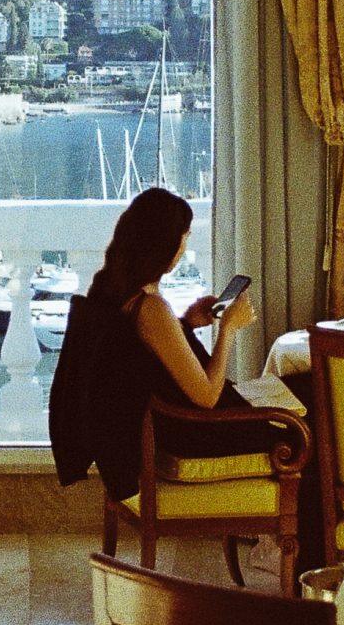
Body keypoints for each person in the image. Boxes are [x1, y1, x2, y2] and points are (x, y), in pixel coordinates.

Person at [50, 185, 267, 501]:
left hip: (171, 428)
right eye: (184, 237)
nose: (184, 246)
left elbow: (144, 359)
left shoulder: (117, 294)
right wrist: (228, 329)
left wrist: (187, 323)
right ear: (164, 245)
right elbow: (207, 396)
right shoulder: (151, 308)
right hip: (194, 434)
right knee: (301, 432)